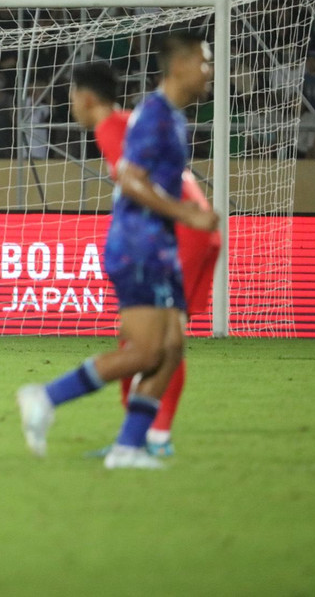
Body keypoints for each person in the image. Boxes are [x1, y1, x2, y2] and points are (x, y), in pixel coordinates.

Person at [17, 34, 220, 470]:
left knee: (170, 348)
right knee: (148, 350)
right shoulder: (150, 118)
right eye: (204, 62)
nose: (210, 70)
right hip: (140, 243)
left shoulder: (168, 118)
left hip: (159, 241)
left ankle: (131, 447)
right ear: (180, 65)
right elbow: (129, 180)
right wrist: (189, 214)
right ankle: (47, 397)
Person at [67, 60, 220, 457]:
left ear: (84, 98)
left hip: (182, 230)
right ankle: (142, 436)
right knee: (159, 339)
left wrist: (183, 216)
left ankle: (145, 438)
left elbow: (138, 183)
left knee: (156, 341)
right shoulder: (124, 123)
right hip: (190, 228)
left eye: (70, 96)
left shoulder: (112, 128)